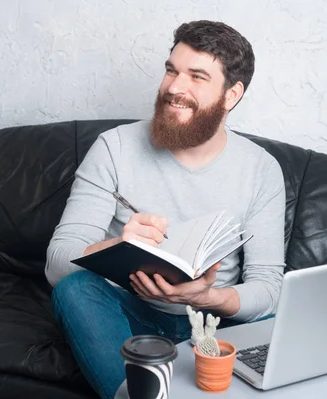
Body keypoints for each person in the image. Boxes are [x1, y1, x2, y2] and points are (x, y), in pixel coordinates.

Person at [46, 20, 285, 399]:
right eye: (171, 70)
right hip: (130, 311)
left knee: (276, 320)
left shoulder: (261, 169)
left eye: (197, 76)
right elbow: (56, 264)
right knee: (75, 289)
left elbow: (268, 289)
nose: (174, 88)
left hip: (214, 321)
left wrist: (205, 298)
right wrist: (115, 247)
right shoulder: (114, 147)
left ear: (231, 95)